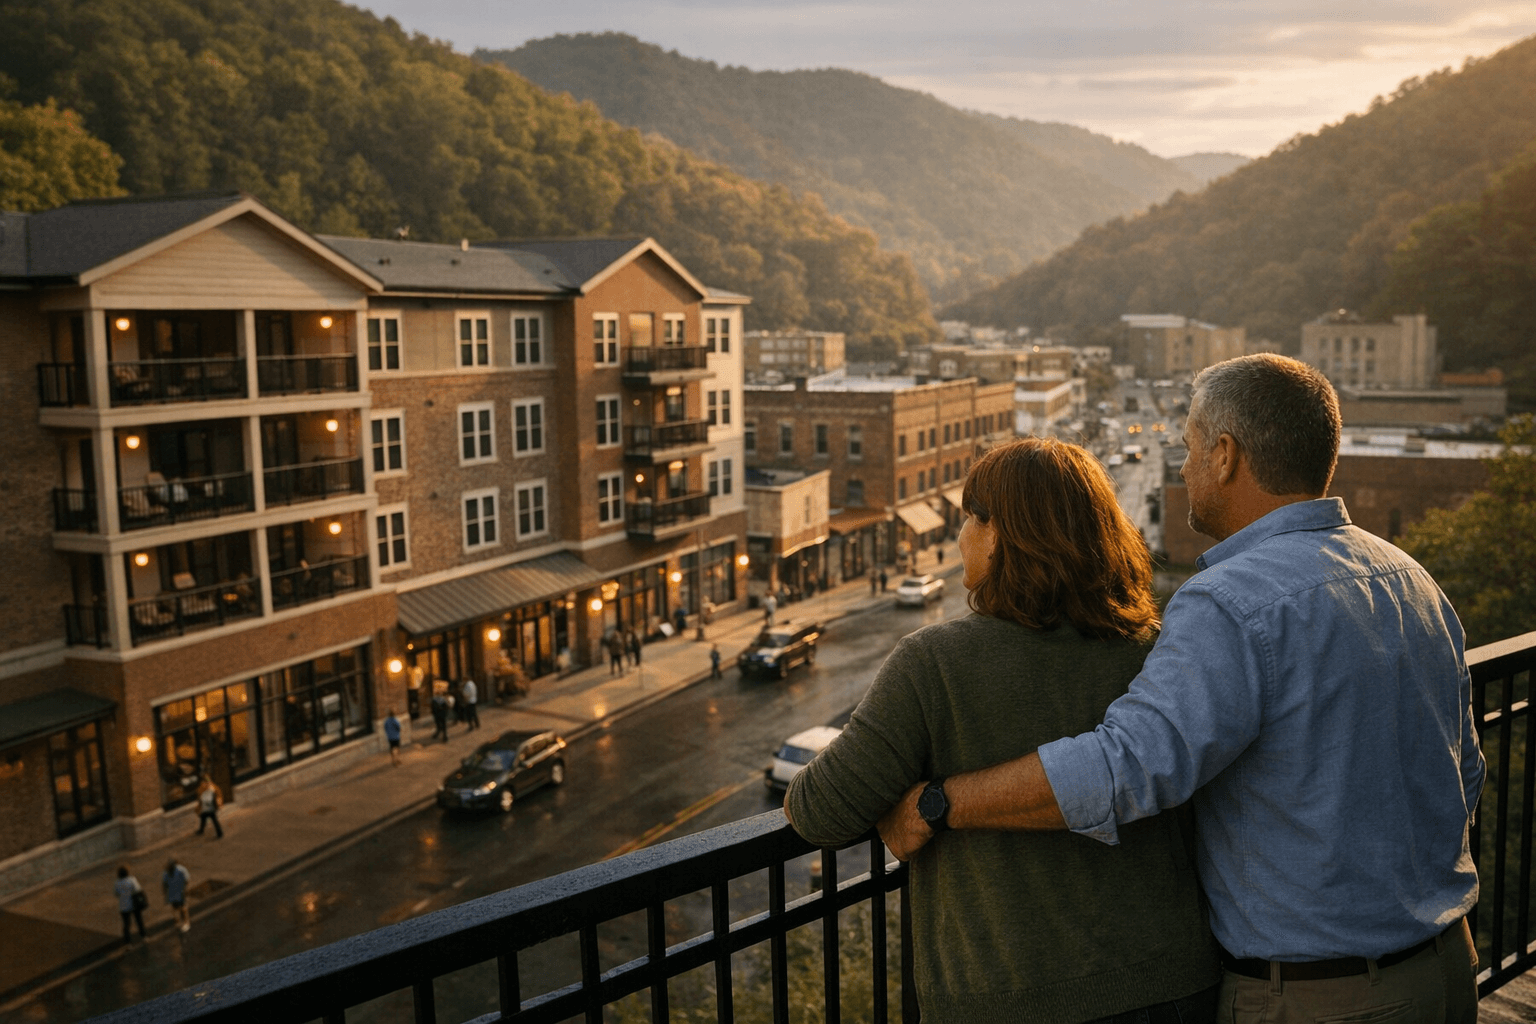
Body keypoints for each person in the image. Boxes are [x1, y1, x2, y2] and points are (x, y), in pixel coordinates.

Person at [877, 355, 1484, 1024]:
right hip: (1446, 967)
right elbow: (1465, 771)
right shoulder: (1408, 579)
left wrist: (941, 802)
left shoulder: (1233, 600)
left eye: (1191, 446)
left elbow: (1124, 770)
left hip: (1318, 995)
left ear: (1225, 455)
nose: (1186, 466)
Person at [787, 438, 1218, 1022]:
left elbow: (819, 811)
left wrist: (918, 799)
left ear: (1001, 536)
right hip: (1172, 986)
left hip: (1005, 998)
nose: (960, 535)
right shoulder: (1157, 652)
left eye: (970, 518)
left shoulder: (934, 664)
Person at [114, 865, 147, 943]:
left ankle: (127, 942)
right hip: (134, 904)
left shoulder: (117, 883)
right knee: (139, 920)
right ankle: (143, 936)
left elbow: (116, 894)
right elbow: (138, 889)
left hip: (123, 906)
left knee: (126, 924)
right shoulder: (131, 880)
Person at [163, 857, 191, 933]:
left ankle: (183, 922)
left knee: (179, 908)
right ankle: (184, 922)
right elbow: (186, 880)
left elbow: (164, 884)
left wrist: (165, 894)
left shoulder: (168, 872)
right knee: (181, 908)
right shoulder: (181, 869)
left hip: (175, 893)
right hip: (178, 892)